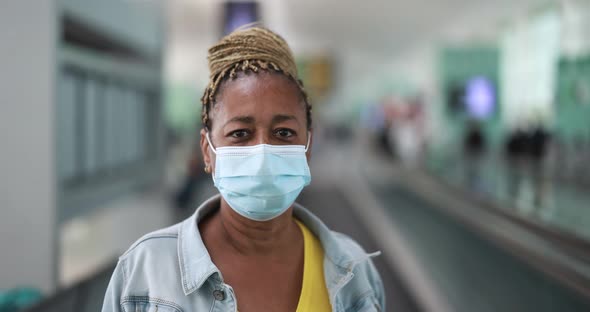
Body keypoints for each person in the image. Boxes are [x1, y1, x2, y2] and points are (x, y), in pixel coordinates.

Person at [102, 27, 385, 312]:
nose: (262, 151)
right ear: (207, 151)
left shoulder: (354, 272)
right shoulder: (144, 274)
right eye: (240, 133)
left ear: (307, 147)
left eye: (284, 132)